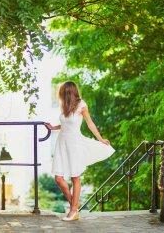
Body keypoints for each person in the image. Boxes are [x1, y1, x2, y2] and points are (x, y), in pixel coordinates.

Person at [45, 81, 115, 221]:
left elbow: (90, 124)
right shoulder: (64, 105)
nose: (62, 94)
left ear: (69, 91)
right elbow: (66, 124)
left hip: (75, 143)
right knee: (58, 178)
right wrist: (54, 127)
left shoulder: (81, 105)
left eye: (64, 92)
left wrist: (100, 139)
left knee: (75, 177)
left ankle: (73, 210)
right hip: (62, 143)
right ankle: (74, 205)